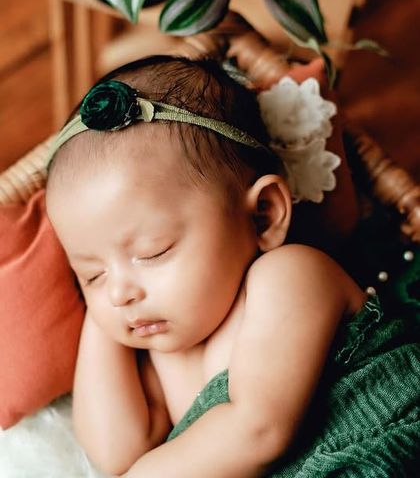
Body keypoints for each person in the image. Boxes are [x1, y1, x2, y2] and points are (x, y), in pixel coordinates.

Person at [45, 55, 420, 478]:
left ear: (262, 215)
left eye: (152, 252)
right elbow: (117, 453)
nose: (120, 291)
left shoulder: (289, 276)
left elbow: (259, 430)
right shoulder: (159, 351)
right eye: (90, 273)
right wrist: (102, 315)